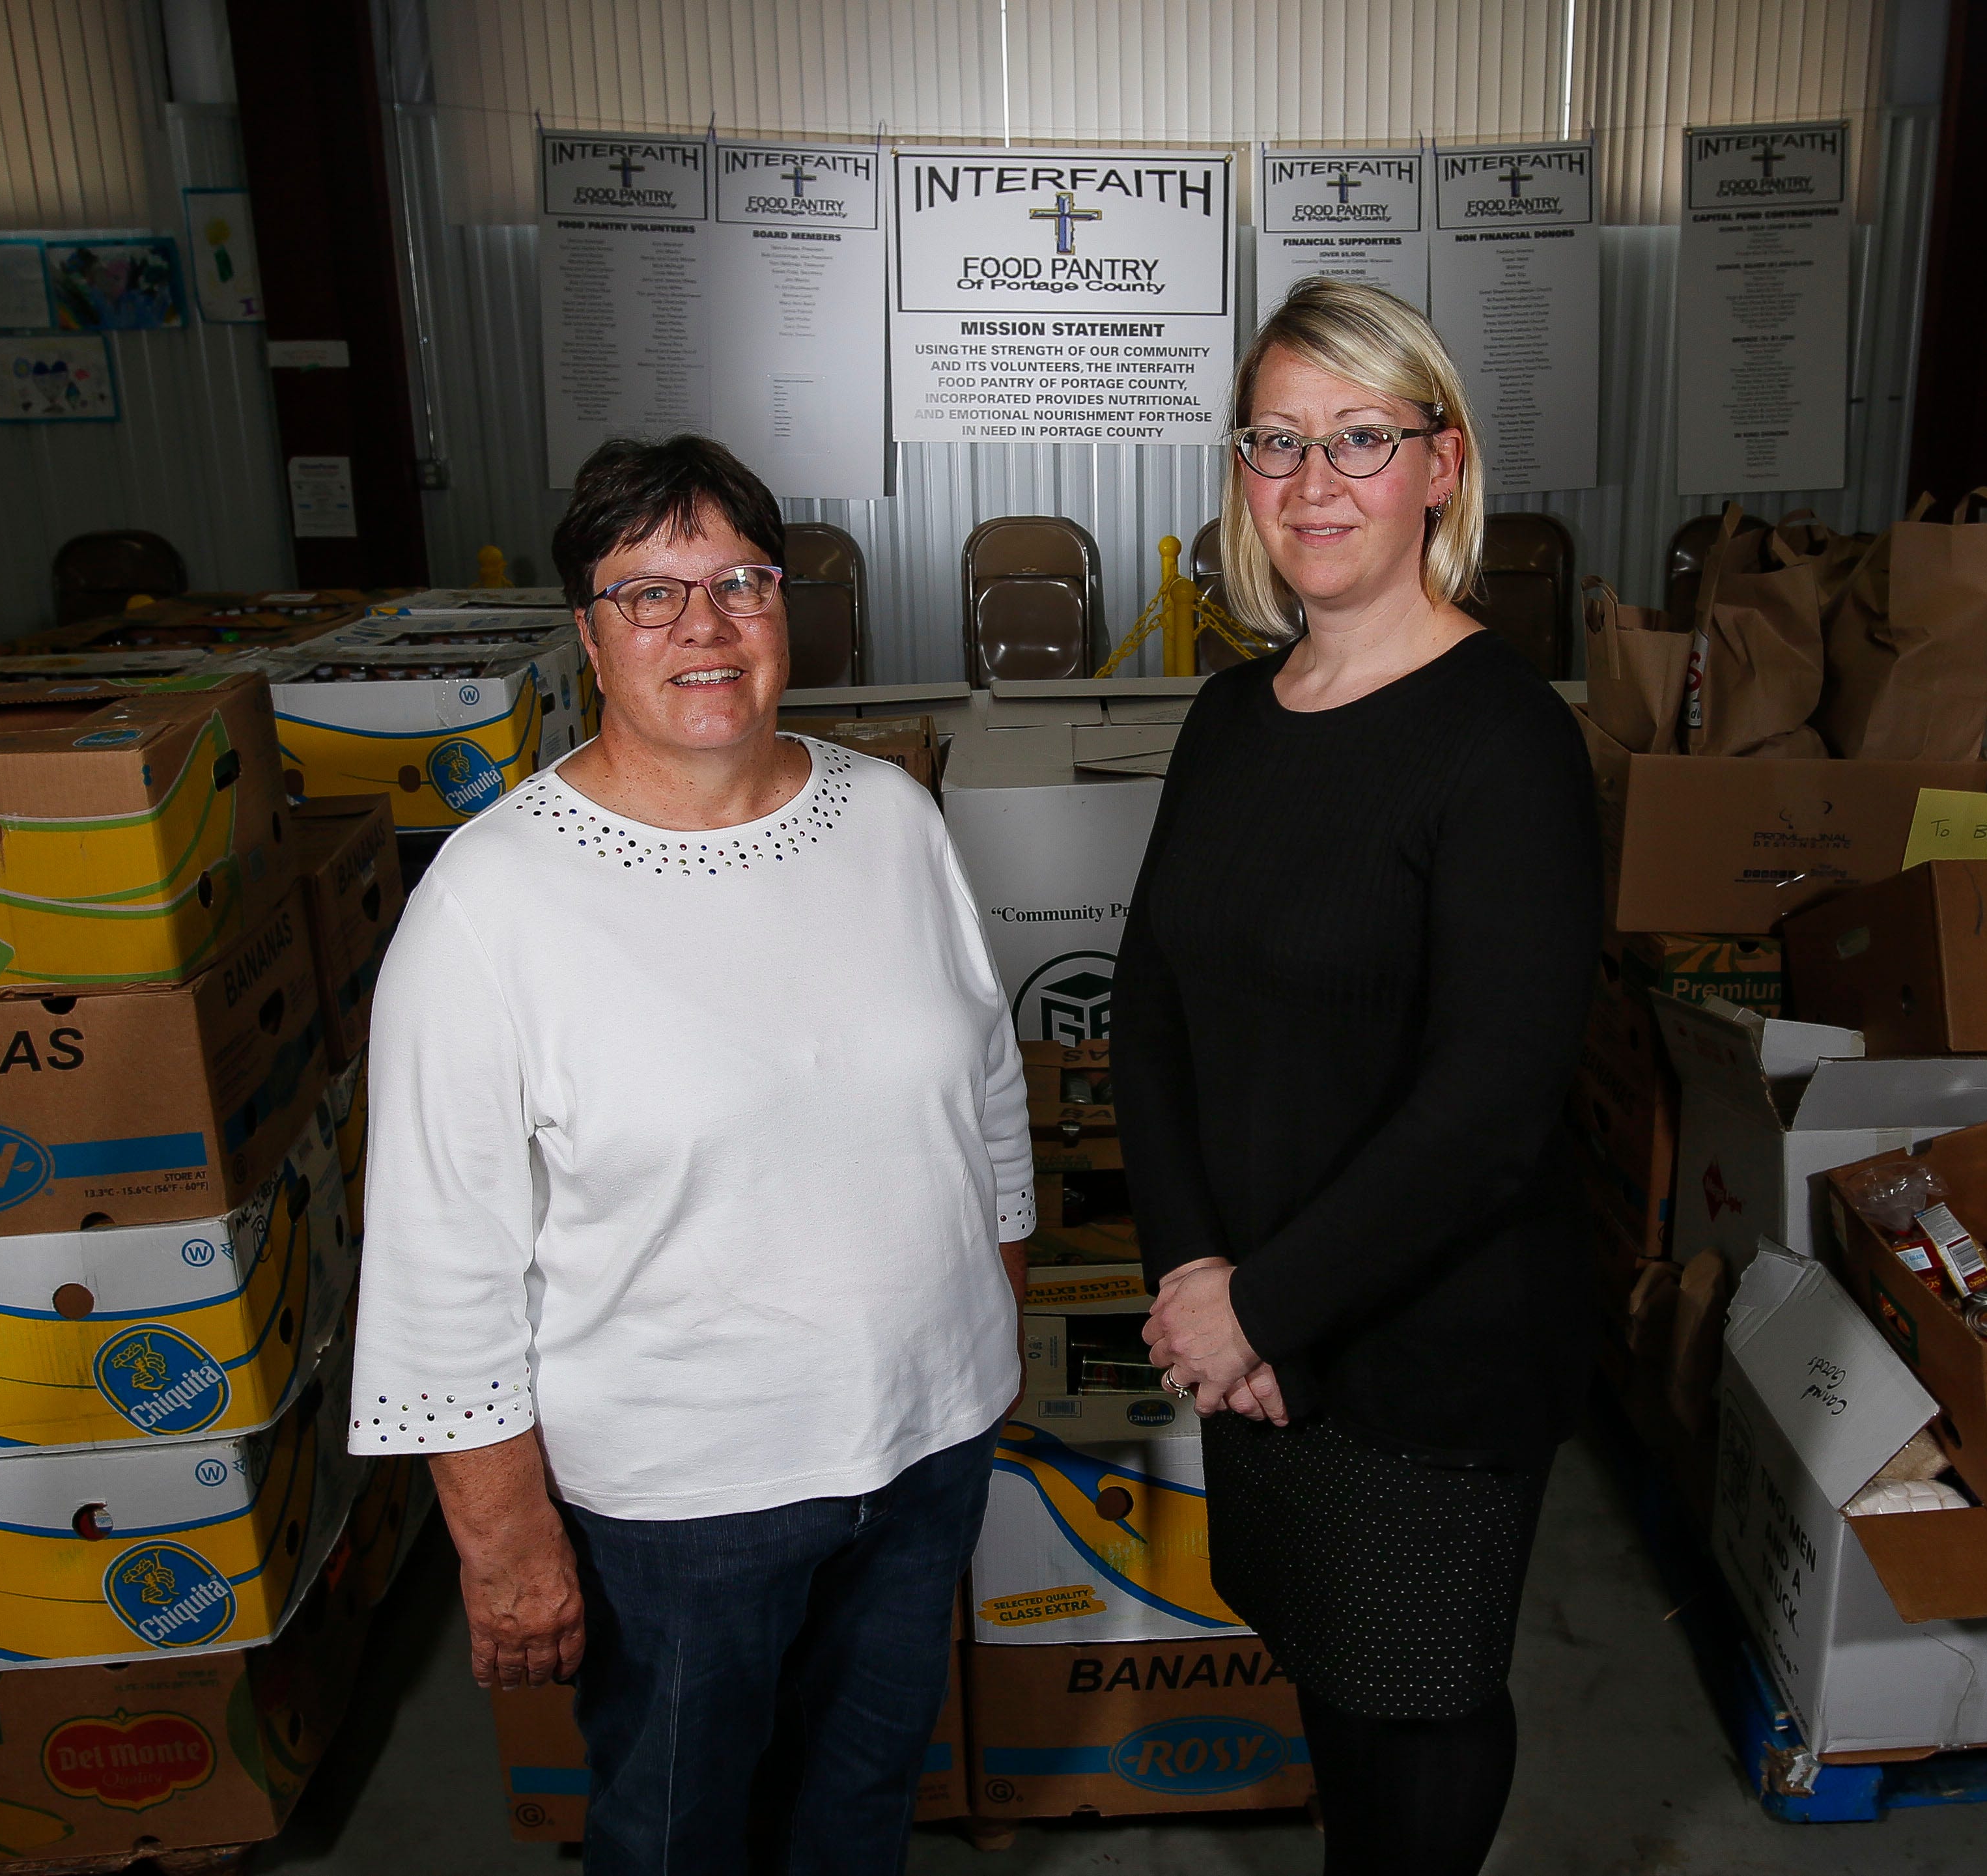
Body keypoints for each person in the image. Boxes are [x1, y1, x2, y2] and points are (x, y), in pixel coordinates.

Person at [347, 434, 1034, 1875]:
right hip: (681, 1508)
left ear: (785, 606)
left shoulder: (892, 820)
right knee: (677, 1836)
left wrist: (986, 1328)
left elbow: (982, 1083)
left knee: (857, 1809)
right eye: (648, 594)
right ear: (589, 636)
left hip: (922, 1453)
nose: (704, 627)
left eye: (737, 581)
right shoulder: (492, 903)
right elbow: (436, 1262)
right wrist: (507, 1542)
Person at [1118, 278, 1601, 1876]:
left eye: (1360, 438)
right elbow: (1147, 1010)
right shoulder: (1228, 717)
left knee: (1417, 1705)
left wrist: (1260, 1303)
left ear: (1442, 464)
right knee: (1332, 1679)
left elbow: (1488, 1112)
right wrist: (1196, 1270)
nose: (1313, 483)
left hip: (1420, 1355)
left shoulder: (1506, 742)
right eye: (1277, 441)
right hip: (1256, 1344)